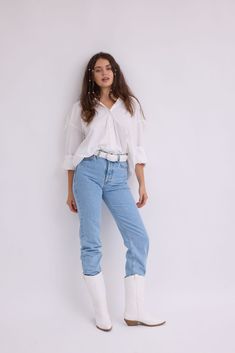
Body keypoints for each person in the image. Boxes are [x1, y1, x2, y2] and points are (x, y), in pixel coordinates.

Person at [62, 52, 166, 331]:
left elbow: (137, 147)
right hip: (88, 173)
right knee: (91, 240)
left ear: (116, 72)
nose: (104, 73)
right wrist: (70, 190)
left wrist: (142, 182)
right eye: (98, 69)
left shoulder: (129, 106)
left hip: (119, 175)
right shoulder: (82, 107)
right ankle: (101, 312)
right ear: (91, 76)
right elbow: (71, 152)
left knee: (139, 238)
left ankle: (135, 310)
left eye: (108, 68)